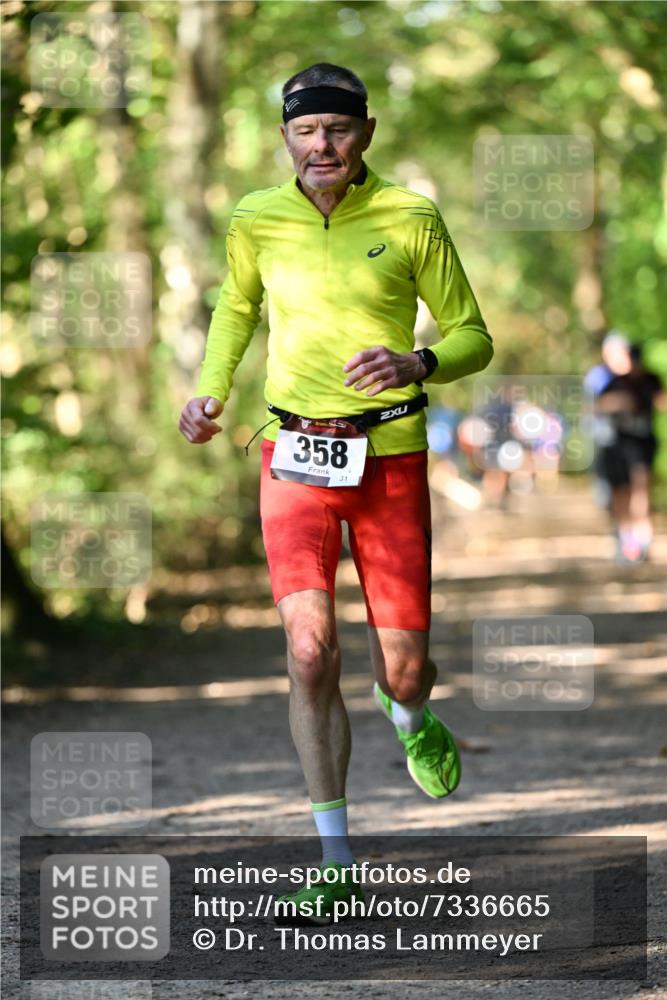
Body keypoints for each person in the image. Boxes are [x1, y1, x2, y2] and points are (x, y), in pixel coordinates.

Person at [179, 63, 493, 923]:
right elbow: (235, 309)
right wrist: (211, 389)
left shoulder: (409, 216)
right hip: (291, 455)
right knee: (310, 651)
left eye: (339, 129)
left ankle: (411, 710)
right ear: (285, 136)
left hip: (387, 458)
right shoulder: (256, 217)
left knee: (402, 666)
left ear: (367, 134)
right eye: (306, 130)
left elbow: (473, 334)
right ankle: (336, 857)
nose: (323, 145)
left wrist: (418, 361)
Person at [595, 343, 666, 562]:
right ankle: (625, 540)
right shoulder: (613, 381)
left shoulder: (650, 379)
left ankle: (642, 539)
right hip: (618, 444)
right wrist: (617, 403)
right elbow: (596, 406)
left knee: (641, 488)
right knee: (621, 492)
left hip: (642, 443)